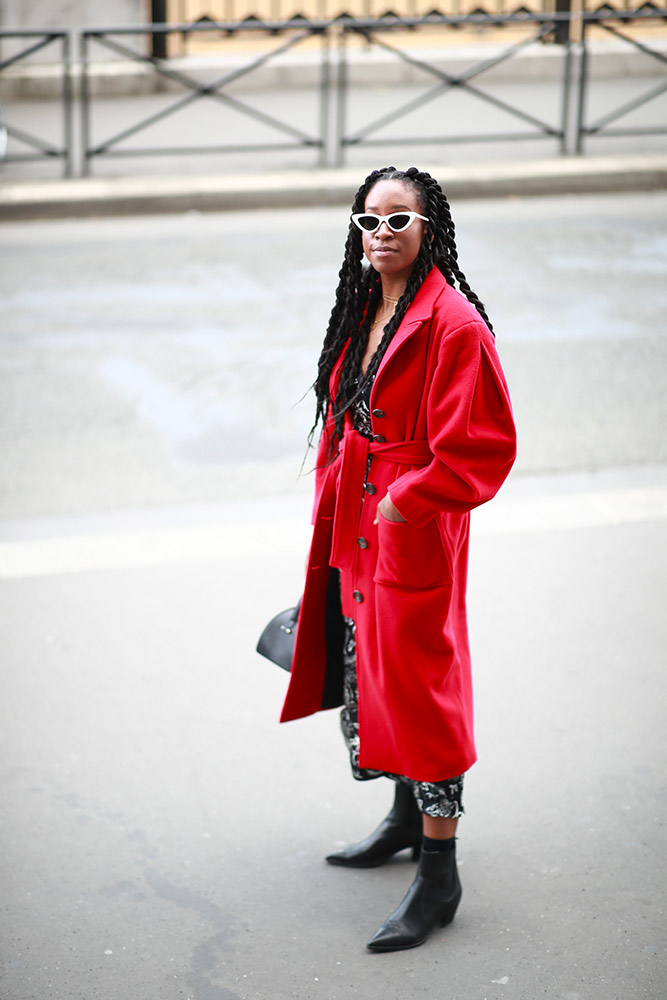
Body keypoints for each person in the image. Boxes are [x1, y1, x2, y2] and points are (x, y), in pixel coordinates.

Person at [280, 166, 517, 952]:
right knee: (364, 676)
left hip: (406, 529)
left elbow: (479, 450)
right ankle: (402, 818)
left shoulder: (453, 324)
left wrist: (399, 503)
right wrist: (337, 500)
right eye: (368, 222)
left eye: (398, 221)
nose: (381, 234)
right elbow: (347, 411)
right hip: (351, 526)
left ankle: (440, 874)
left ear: (428, 228)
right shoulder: (366, 305)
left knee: (423, 694)